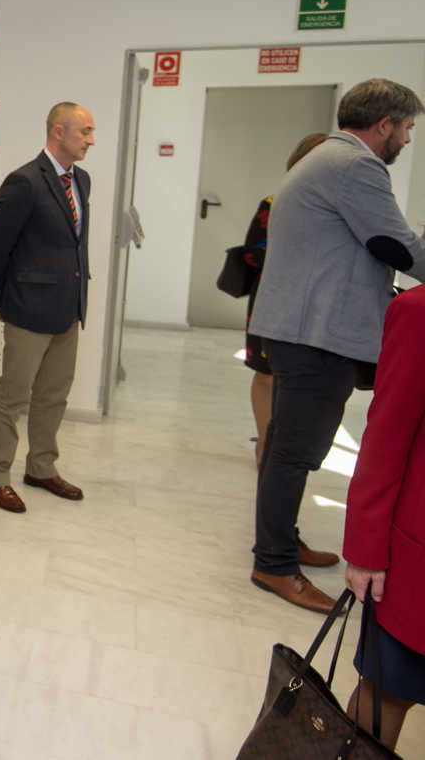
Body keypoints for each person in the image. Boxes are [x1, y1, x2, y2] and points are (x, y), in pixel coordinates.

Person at [248, 78, 425, 614]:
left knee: (285, 447)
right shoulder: (356, 166)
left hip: (300, 330)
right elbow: (394, 244)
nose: (408, 139)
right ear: (384, 124)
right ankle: (274, 563)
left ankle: (281, 541)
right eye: (407, 128)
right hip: (315, 334)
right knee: (293, 453)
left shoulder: (325, 156)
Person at [0, 102, 95, 513]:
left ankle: (41, 467)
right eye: (85, 131)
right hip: (27, 309)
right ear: (58, 131)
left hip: (68, 307)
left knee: (54, 394)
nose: (91, 140)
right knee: (12, 396)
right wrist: (3, 300)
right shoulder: (24, 181)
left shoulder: (82, 181)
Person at [343, 284, 425, 750]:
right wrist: (366, 549)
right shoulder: (418, 312)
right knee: (386, 695)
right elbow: (386, 439)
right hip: (418, 561)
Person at [240, 132, 328, 466]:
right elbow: (252, 252)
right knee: (266, 375)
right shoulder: (274, 203)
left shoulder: (341, 210)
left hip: (318, 308)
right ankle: (264, 442)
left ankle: (288, 446)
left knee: (304, 380)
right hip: (272, 301)